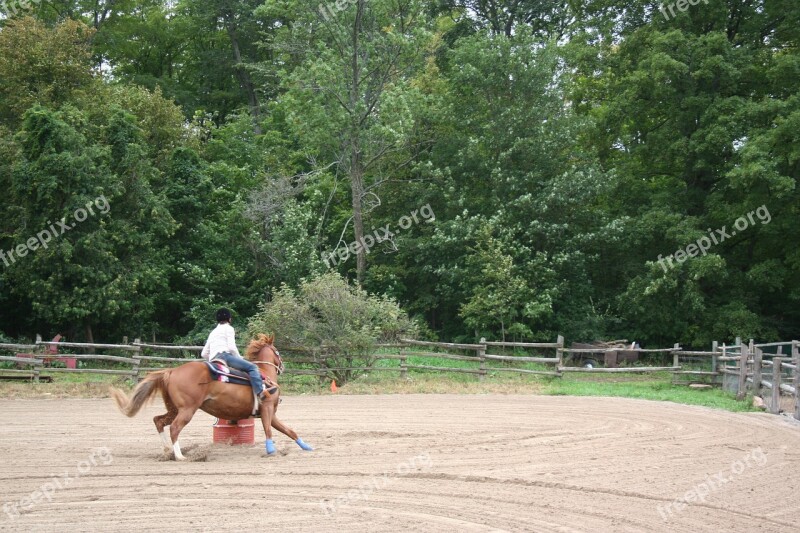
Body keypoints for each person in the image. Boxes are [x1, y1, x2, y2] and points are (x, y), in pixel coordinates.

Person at [201, 308, 268, 402]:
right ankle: (260, 392)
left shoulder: (212, 332)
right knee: (252, 367)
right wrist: (239, 357)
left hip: (213, 360)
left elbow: (204, 353)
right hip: (225, 357)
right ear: (229, 319)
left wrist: (212, 359)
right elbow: (232, 347)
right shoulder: (229, 328)